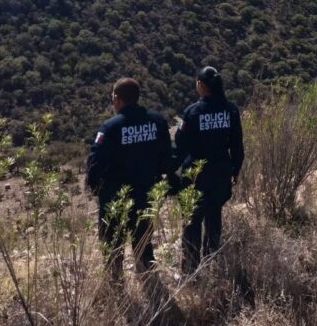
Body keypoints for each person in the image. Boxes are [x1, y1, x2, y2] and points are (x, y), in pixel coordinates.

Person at [86, 77, 174, 275]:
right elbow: (167, 155)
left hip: (115, 195)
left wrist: (94, 187)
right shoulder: (157, 121)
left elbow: (95, 160)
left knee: (112, 243)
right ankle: (150, 282)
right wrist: (165, 179)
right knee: (143, 239)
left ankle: (115, 285)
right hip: (146, 191)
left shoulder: (110, 127)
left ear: (117, 99)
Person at [174, 66, 244, 274]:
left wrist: (169, 168)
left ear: (201, 85)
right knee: (214, 218)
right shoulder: (230, 110)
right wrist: (235, 171)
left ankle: (191, 271)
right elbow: (237, 146)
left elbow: (181, 144)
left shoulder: (193, 112)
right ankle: (212, 264)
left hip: (196, 175)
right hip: (221, 173)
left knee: (192, 222)